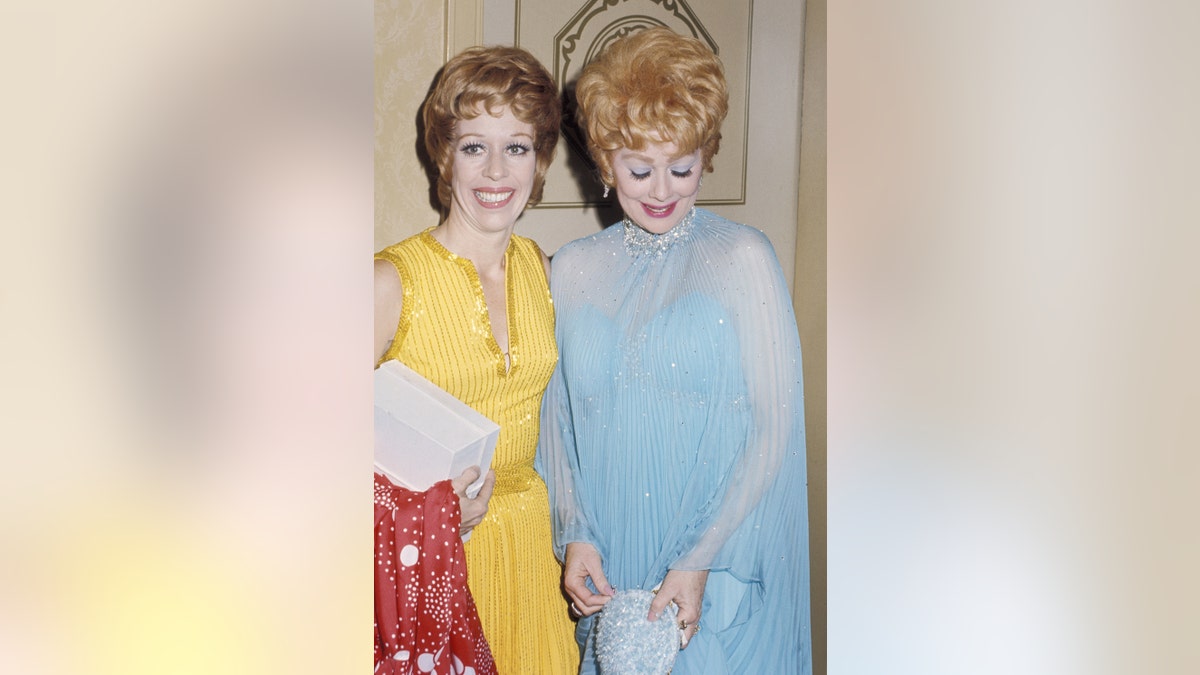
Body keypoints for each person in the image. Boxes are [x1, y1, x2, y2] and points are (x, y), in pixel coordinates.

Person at [537, 27, 812, 673]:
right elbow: (560, 421)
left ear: (705, 155)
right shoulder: (572, 269)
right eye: (639, 168)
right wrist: (575, 529)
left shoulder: (743, 257)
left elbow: (773, 428)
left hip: (717, 560)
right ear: (604, 162)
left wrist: (700, 555)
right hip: (614, 562)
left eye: (681, 166)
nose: (662, 189)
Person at [374, 46, 578, 675]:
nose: (495, 171)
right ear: (444, 154)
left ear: (540, 160)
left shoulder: (542, 269)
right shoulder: (388, 281)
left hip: (532, 556)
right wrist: (423, 508)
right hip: (436, 562)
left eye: (516, 147)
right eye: (473, 146)